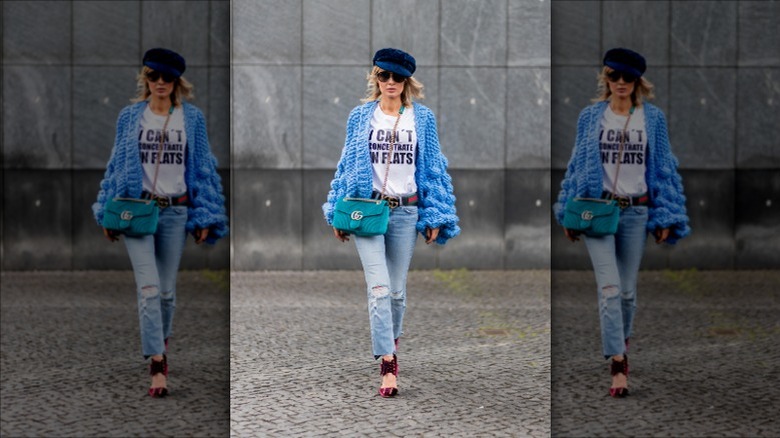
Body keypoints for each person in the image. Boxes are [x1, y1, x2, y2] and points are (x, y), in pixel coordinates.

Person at [323, 48, 459, 397]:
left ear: (407, 81)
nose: (391, 83)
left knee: (396, 292)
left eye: (398, 77)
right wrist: (337, 210)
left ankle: (390, 340)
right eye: (384, 75)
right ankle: (387, 361)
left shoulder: (422, 119)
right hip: (367, 212)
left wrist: (435, 215)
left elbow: (432, 170)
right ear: (376, 77)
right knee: (379, 289)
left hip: (405, 211)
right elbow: (345, 166)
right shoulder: (360, 117)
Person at [93, 48, 228, 397]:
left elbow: (202, 169)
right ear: (146, 79)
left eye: (167, 78)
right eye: (154, 76)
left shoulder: (191, 119)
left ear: (177, 82)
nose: (160, 83)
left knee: (166, 293)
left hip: (175, 212)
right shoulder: (130, 117)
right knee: (149, 289)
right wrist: (106, 210)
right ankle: (157, 362)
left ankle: (160, 342)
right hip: (136, 213)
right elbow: (115, 166)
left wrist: (205, 215)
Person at [554, 48, 690, 397]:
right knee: (610, 289)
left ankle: (621, 341)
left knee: (627, 293)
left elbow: (663, 169)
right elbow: (576, 166)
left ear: (637, 82)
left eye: (627, 77)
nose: (620, 83)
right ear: (606, 79)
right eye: (614, 76)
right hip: (598, 213)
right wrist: (567, 211)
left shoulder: (653, 119)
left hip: (636, 213)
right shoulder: (590, 117)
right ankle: (618, 362)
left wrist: (666, 215)